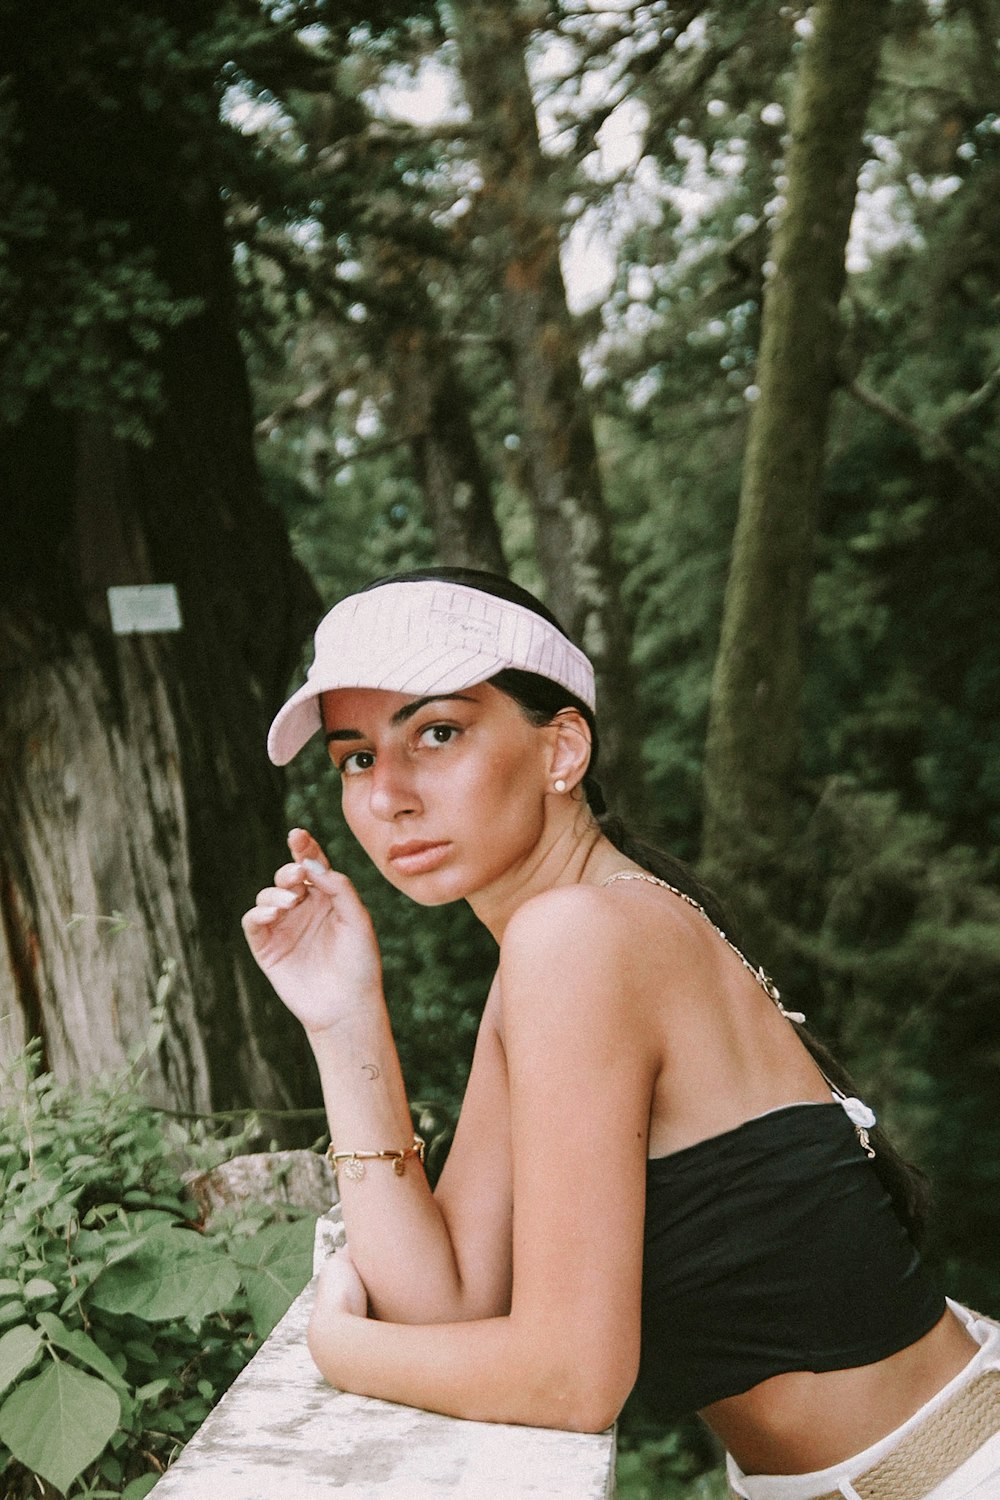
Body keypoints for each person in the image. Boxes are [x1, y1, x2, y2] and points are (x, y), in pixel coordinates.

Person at [243, 567, 1000, 1500]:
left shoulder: (581, 938)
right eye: (356, 758)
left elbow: (570, 1379)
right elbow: (449, 1303)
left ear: (562, 749)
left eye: (436, 733)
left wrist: (340, 1347)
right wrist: (342, 1014)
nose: (388, 795)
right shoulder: (566, 934)